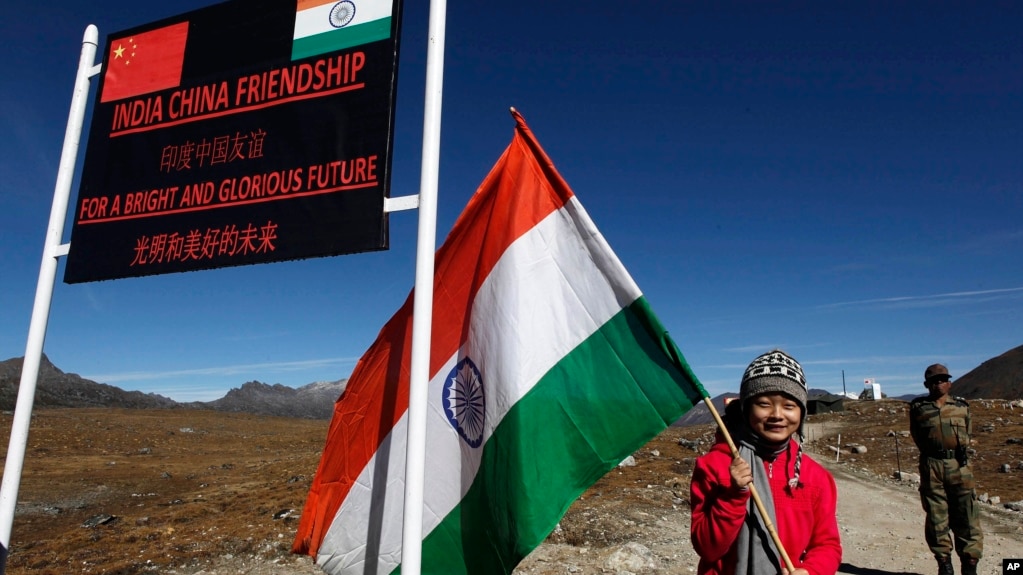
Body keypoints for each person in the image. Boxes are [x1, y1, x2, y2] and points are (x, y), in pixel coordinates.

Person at [691, 350, 842, 575]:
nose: (777, 415)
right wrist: (733, 495)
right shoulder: (714, 466)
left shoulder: (816, 477)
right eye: (763, 404)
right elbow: (707, 548)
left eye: (789, 406)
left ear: (802, 413)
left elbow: (827, 545)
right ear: (745, 409)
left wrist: (812, 571)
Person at [909, 364, 983, 575]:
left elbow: (967, 432)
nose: (938, 384)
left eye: (942, 380)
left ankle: (970, 565)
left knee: (967, 515)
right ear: (927, 384)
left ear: (950, 383)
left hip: (959, 466)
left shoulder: (961, 406)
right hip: (932, 465)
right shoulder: (918, 407)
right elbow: (916, 435)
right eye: (934, 381)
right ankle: (944, 564)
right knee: (936, 517)